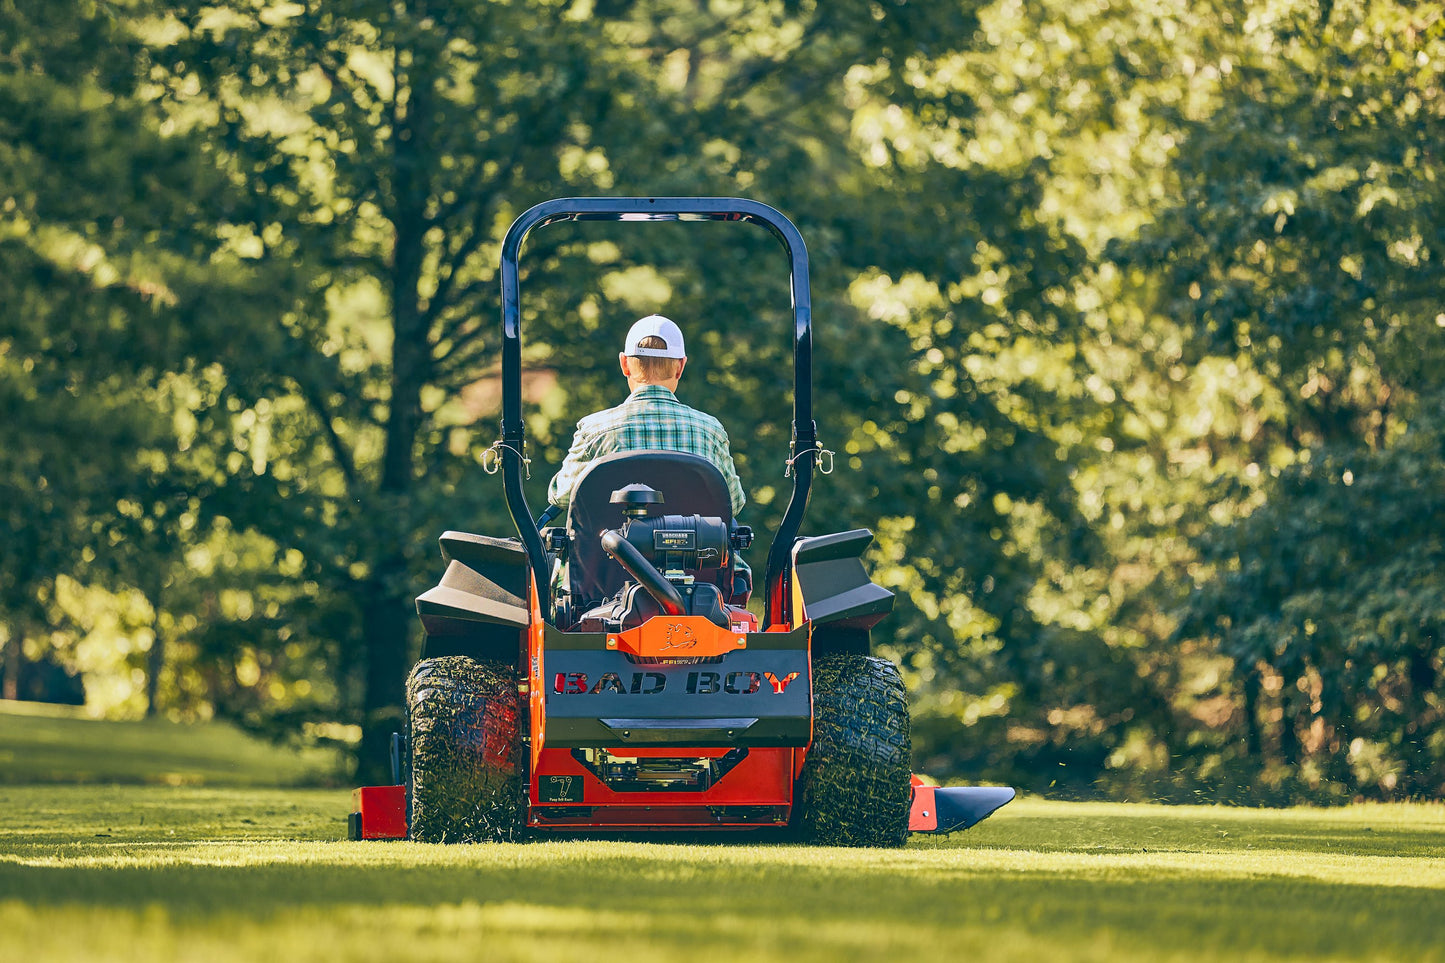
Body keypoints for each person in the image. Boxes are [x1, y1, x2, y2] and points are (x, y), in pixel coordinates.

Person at [546, 314, 745, 516]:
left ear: (624, 364)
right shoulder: (710, 431)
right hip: (695, 548)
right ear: (680, 367)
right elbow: (733, 503)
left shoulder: (593, 430)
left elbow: (561, 496)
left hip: (607, 547)